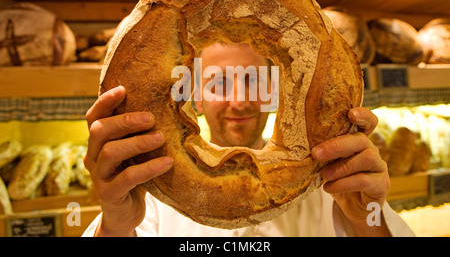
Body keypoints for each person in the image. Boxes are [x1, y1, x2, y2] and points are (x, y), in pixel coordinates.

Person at [82, 42, 415, 237]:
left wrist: (368, 221)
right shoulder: (152, 190)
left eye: (253, 81)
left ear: (275, 91)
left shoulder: (329, 183)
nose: (239, 100)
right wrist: (115, 226)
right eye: (219, 83)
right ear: (195, 96)